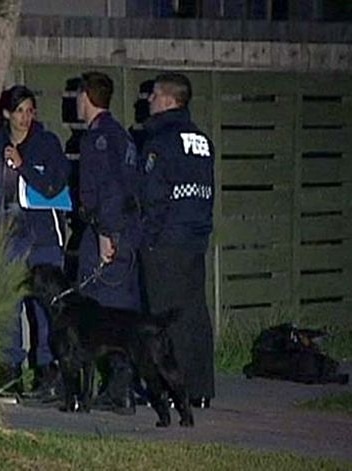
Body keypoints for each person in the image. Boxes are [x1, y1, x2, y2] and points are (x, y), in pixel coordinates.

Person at [0, 85, 70, 400]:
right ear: (6, 114)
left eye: (30, 110)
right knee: (9, 308)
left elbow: (55, 185)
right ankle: (9, 375)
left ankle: (48, 374)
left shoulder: (46, 143)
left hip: (42, 239)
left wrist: (22, 164)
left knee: (45, 309)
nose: (26, 117)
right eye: (20, 111)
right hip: (7, 236)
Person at [139, 73, 215, 408]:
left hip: (166, 243)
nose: (148, 100)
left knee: (166, 319)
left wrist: (149, 239)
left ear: (169, 100)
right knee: (194, 313)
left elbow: (153, 197)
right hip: (194, 239)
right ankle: (200, 389)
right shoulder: (201, 140)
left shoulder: (159, 141)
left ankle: (174, 389)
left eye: (154, 95)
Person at [75, 71, 142, 414]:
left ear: (86, 96)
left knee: (101, 314)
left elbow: (109, 191)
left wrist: (105, 234)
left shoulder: (98, 138)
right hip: (127, 233)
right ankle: (121, 387)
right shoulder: (123, 136)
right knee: (123, 314)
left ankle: (118, 391)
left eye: (78, 94)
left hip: (109, 232)